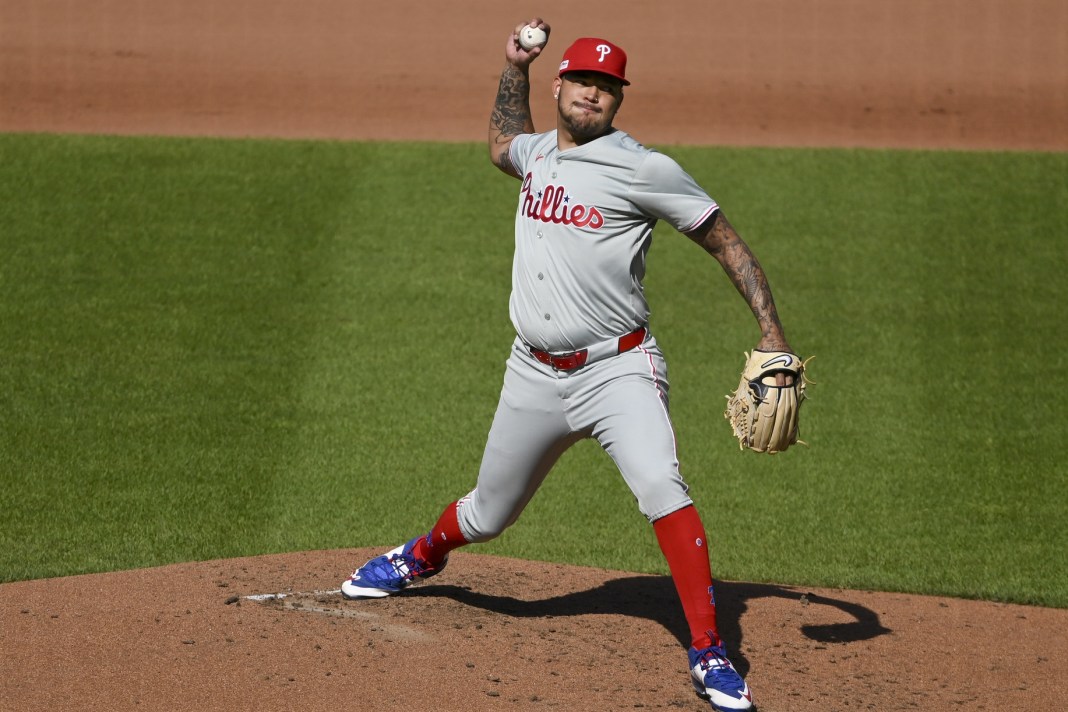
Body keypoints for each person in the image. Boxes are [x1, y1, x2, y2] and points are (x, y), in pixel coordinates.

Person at [341, 18, 796, 712]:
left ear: (619, 99)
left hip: (618, 371)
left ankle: (709, 653)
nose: (592, 94)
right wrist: (513, 65)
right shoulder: (538, 156)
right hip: (533, 373)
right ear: (562, 85)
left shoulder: (647, 168)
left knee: (660, 484)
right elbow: (501, 142)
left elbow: (725, 242)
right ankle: (422, 555)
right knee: (489, 512)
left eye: (606, 87)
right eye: (582, 80)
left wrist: (771, 332)